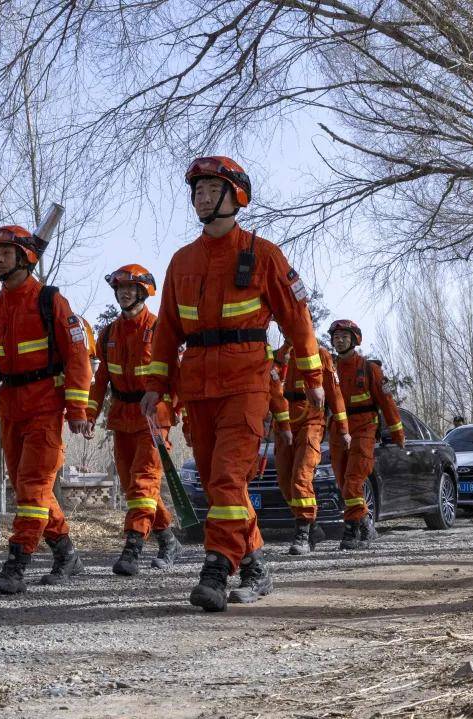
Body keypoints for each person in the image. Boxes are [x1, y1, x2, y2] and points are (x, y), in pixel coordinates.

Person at [141, 156, 325, 611]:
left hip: (246, 383)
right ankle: (256, 565)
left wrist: (314, 374)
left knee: (226, 478)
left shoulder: (264, 255)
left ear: (236, 196)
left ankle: (217, 568)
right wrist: (155, 385)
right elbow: (165, 331)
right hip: (197, 384)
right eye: (197, 191)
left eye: (211, 189)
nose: (201, 197)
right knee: (219, 483)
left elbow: (297, 319)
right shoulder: (181, 261)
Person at [0, 225, 92, 594]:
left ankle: (17, 563)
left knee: (34, 484)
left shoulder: (50, 299)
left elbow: (77, 357)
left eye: (6, 253)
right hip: (10, 404)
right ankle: (66, 553)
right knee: (28, 488)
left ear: (25, 257)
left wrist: (77, 410)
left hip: (45, 404)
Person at [86, 265, 183, 576]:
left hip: (154, 417)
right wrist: (90, 413)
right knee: (135, 488)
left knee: (144, 482)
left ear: (143, 292)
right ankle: (168, 541)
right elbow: (101, 379)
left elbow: (177, 375)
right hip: (122, 417)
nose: (124, 293)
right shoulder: (109, 333)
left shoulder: (159, 329)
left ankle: (132, 549)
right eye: (120, 288)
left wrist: (178, 411)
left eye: (130, 288)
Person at [327, 319, 404, 550]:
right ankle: (365, 526)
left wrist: (397, 433)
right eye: (336, 337)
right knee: (343, 485)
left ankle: (351, 530)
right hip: (338, 431)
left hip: (364, 429)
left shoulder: (371, 369)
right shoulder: (330, 369)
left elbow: (387, 403)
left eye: (343, 336)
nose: (339, 340)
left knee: (352, 482)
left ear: (354, 339)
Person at [272, 343, 349, 555]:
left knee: (301, 477)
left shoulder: (320, 354)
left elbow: (334, 394)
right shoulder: (278, 355)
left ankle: (303, 534)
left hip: (311, 422)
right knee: (285, 480)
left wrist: (343, 430)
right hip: (283, 425)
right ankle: (313, 528)